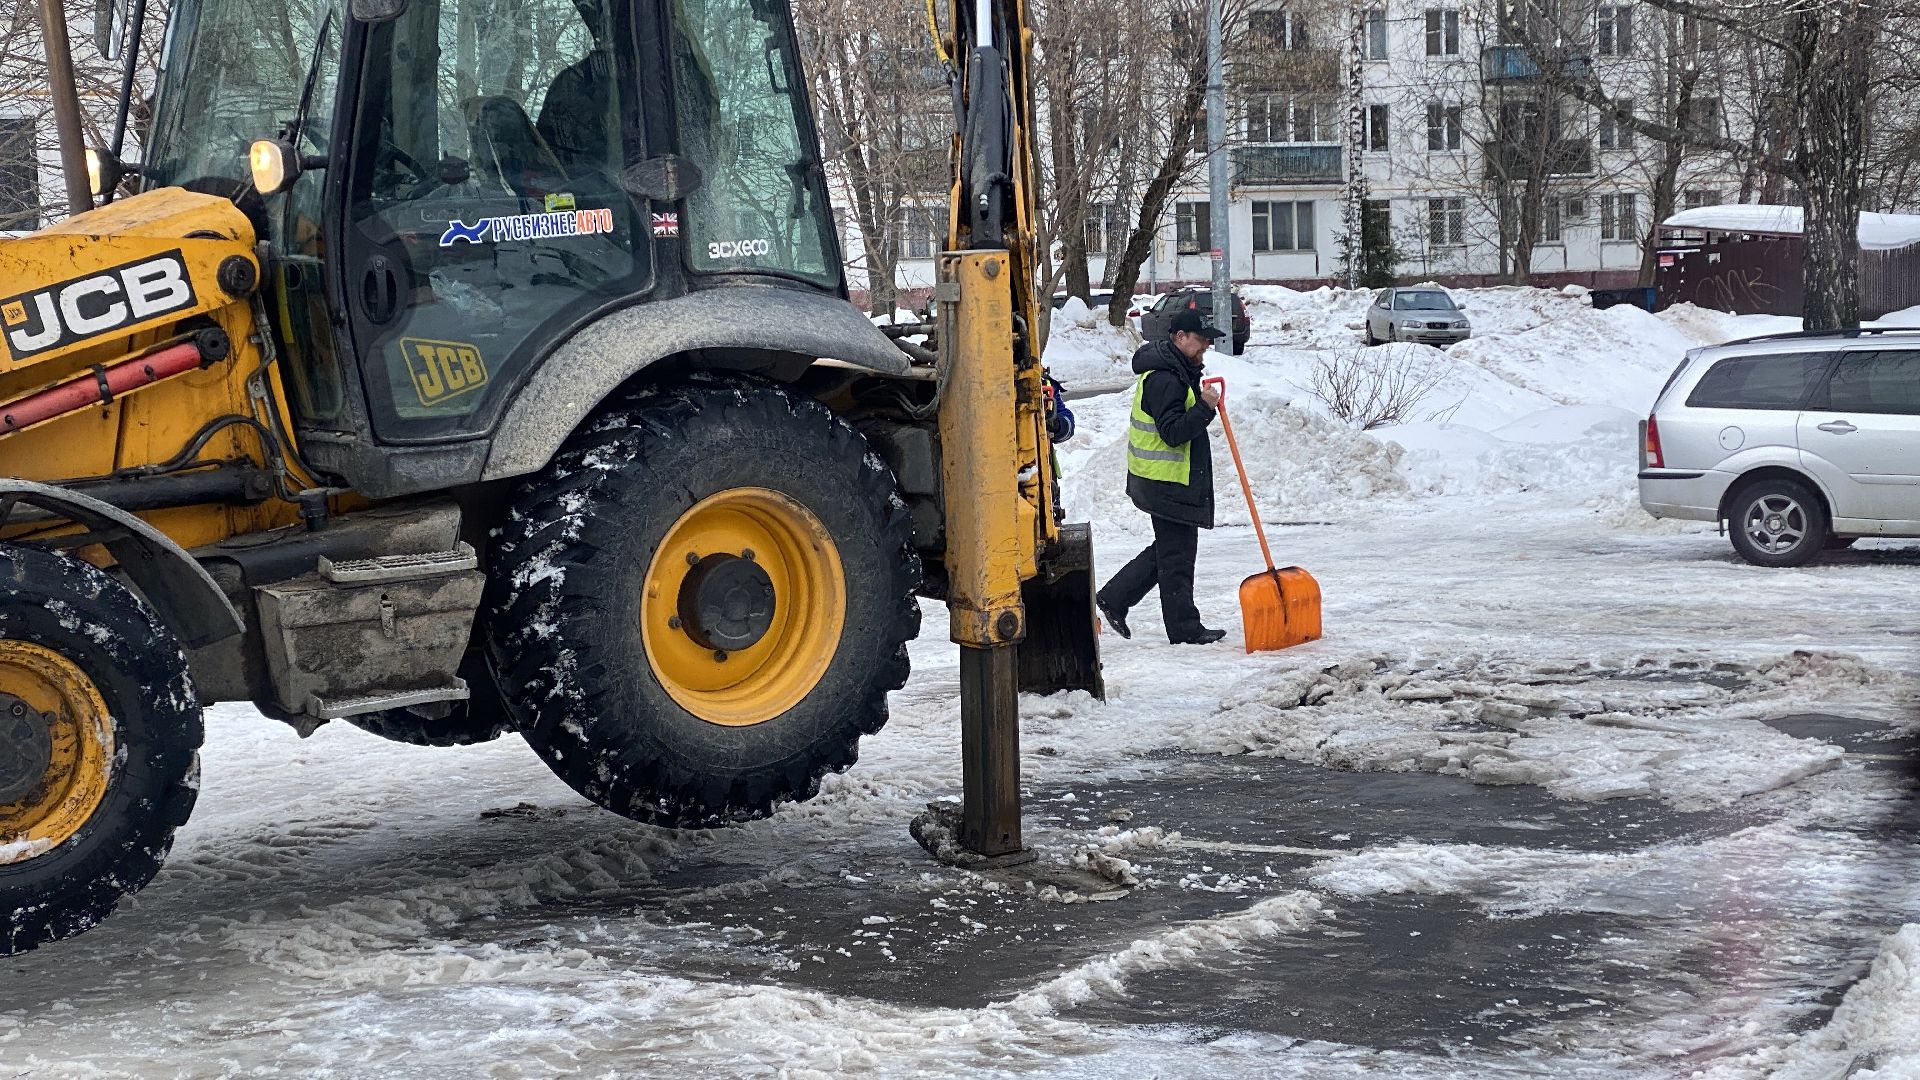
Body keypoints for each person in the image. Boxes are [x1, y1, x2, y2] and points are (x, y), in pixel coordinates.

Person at [1096, 307, 1227, 645]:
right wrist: (1204, 408)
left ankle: (1115, 598)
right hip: (1164, 482)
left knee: (1172, 551)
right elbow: (1172, 432)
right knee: (1177, 555)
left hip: (1166, 480)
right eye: (1201, 341)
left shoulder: (1176, 370)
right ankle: (1183, 629)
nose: (1205, 348)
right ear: (1180, 337)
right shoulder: (1165, 378)